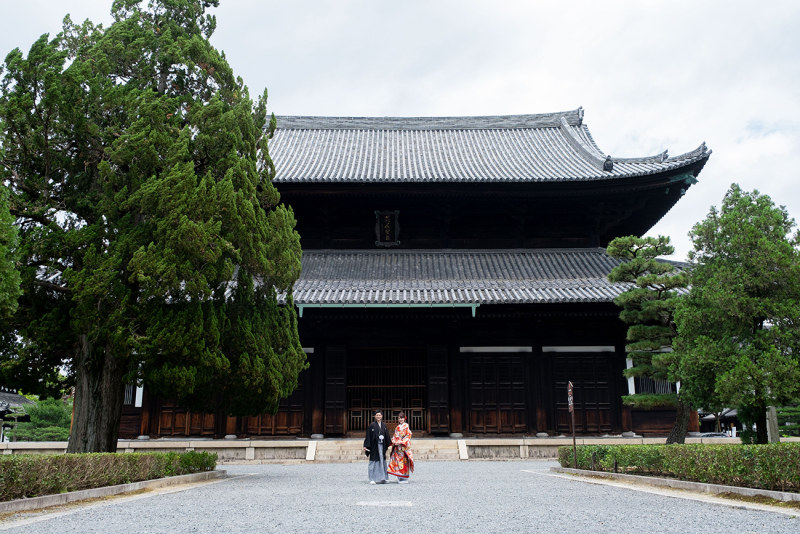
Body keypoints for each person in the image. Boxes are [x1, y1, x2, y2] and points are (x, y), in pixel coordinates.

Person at [363, 410, 391, 484]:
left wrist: (390, 443)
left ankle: (383, 478)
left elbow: (387, 435)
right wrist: (366, 445)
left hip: (382, 445)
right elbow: (368, 435)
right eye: (377, 415)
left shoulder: (384, 425)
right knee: (373, 461)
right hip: (374, 446)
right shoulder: (372, 425)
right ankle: (372, 478)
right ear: (375, 416)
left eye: (379, 415)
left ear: (382, 416)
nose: (378, 416)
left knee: (382, 461)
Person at [387, 412, 414, 483]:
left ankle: (404, 478)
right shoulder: (397, 427)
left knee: (404, 462)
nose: (400, 419)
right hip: (397, 447)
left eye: (401, 418)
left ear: (404, 418)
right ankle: (399, 477)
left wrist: (401, 442)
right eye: (399, 418)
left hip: (403, 448)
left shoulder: (406, 426)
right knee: (397, 462)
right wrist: (393, 441)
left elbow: (408, 435)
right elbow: (395, 435)